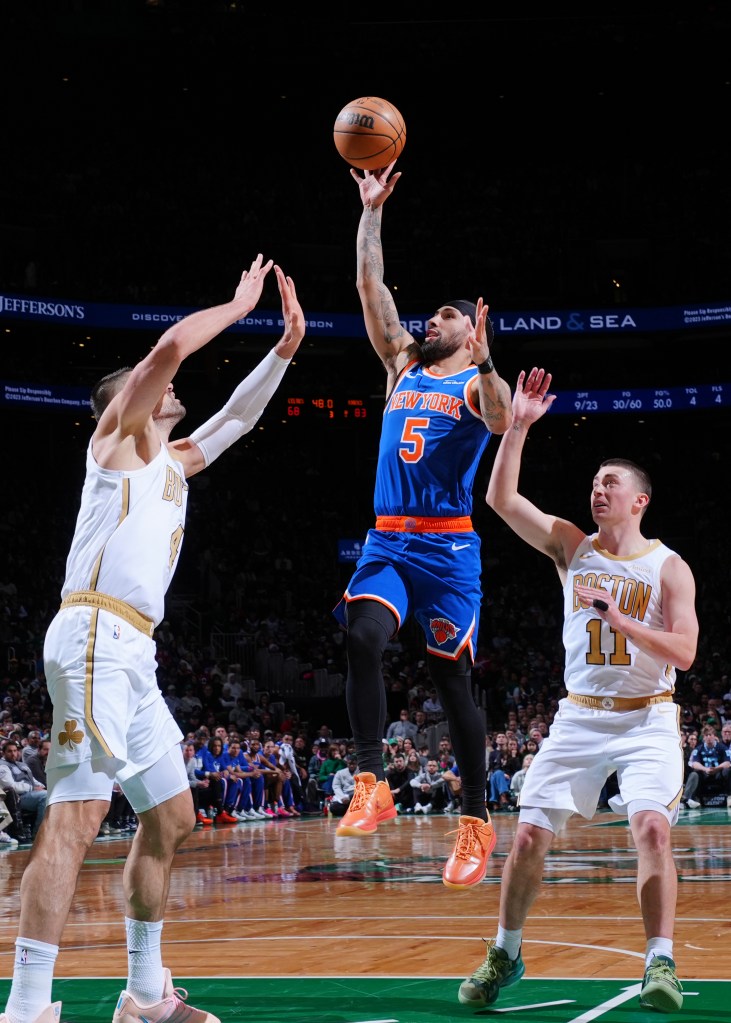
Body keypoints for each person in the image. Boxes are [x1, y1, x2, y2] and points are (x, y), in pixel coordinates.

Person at [0, 255, 304, 1023]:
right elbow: (168, 346)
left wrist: (283, 351)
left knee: (171, 816)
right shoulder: (118, 440)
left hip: (134, 648)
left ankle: (143, 994)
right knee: (76, 814)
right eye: (150, 385)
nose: (169, 386)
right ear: (124, 404)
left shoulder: (171, 462)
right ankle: (27, 1007)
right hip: (94, 629)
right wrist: (240, 307)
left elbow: (234, 419)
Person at [458, 367, 699, 1014]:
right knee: (529, 836)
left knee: (650, 826)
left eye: (610, 484)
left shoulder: (667, 566)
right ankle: (504, 952)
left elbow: (685, 650)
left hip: (647, 716)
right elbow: (501, 500)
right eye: (593, 482)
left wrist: (621, 620)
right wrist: (516, 427)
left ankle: (659, 962)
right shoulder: (572, 546)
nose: (598, 490)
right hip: (578, 718)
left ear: (638, 500)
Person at [332, 160, 512, 890]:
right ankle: (371, 781)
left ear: (469, 337)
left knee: (452, 685)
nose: (430, 322)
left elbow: (500, 417)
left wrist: (492, 359)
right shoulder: (401, 366)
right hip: (387, 538)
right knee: (361, 635)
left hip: (448, 549)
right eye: (431, 315)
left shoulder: (473, 381)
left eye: (446, 317)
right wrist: (371, 210)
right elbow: (370, 290)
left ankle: (474, 819)